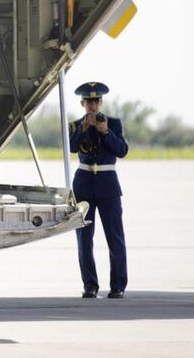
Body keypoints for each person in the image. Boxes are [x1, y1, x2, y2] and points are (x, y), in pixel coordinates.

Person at [69, 82, 129, 299]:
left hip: (108, 185)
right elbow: (72, 148)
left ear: (101, 102)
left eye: (96, 101)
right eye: (89, 102)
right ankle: (90, 285)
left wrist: (105, 133)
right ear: (82, 103)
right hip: (84, 185)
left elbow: (122, 151)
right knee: (84, 239)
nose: (93, 106)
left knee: (115, 237)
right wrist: (83, 129)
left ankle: (118, 286)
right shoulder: (75, 125)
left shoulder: (113, 123)